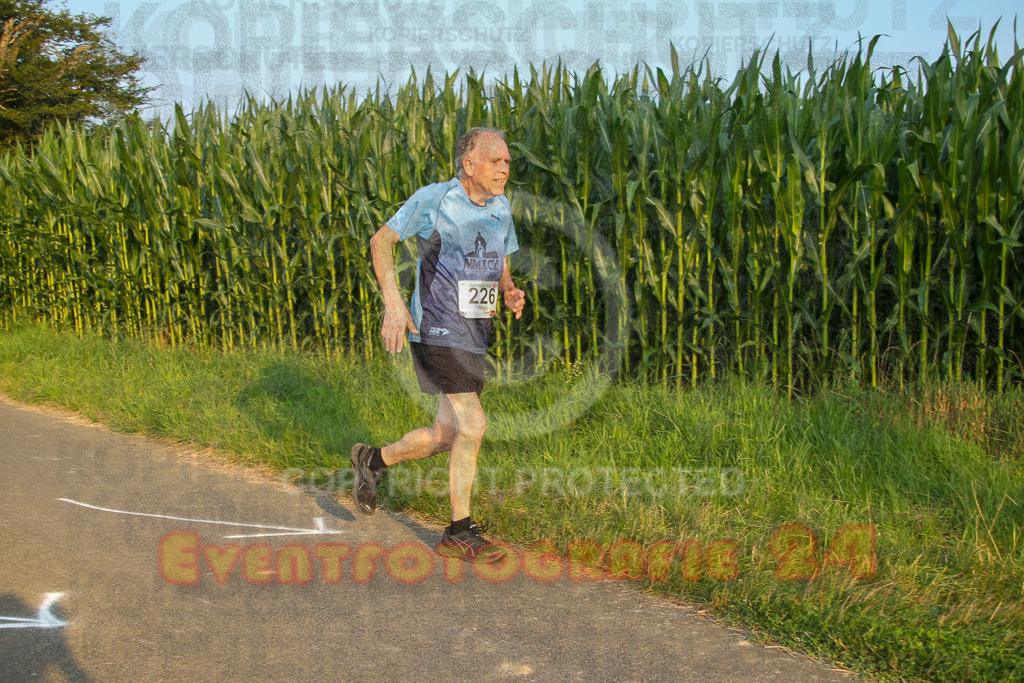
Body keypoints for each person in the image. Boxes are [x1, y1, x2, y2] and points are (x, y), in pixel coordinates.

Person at [350, 126, 526, 563]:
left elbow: (500, 255)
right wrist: (393, 304)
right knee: (474, 424)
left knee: (447, 432)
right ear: (469, 165)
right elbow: (381, 240)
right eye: (496, 161)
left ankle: (373, 461)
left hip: (475, 332)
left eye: (507, 161)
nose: (505, 168)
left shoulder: (501, 207)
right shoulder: (437, 199)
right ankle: (458, 532)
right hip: (436, 328)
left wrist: (508, 288)